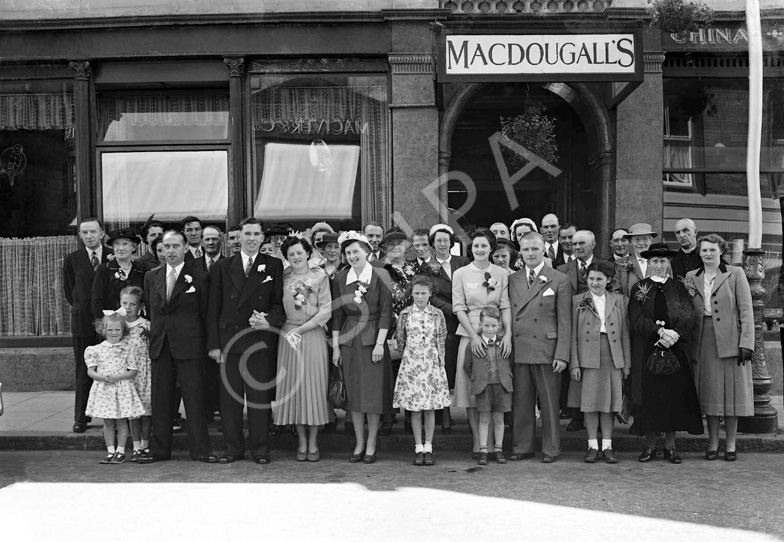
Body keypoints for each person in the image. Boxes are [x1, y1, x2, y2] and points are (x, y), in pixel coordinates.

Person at [207, 218, 285, 465]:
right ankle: (233, 449)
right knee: (229, 401)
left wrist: (269, 321)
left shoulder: (273, 265)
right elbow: (213, 308)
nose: (251, 238)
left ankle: (260, 449)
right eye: (247, 234)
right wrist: (214, 345)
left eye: (256, 234)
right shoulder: (222, 266)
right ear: (238, 238)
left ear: (263, 238)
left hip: (259, 341)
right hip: (229, 340)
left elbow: (278, 305)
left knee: (259, 400)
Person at [139, 230, 217, 464]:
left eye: (175, 246)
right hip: (161, 345)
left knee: (194, 400)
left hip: (190, 346)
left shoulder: (200, 277)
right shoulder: (151, 277)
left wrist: (209, 345)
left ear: (185, 248)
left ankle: (201, 451)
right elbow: (154, 313)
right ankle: (159, 450)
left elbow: (207, 314)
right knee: (161, 401)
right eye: (166, 247)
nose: (170, 251)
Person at [628, 243, 703, 464]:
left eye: (662, 261)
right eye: (654, 261)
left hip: (675, 351)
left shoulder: (679, 287)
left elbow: (690, 315)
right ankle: (650, 447)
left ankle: (670, 447)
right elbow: (635, 319)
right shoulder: (640, 288)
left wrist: (674, 335)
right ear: (648, 264)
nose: (658, 265)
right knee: (650, 400)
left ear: (668, 263)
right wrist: (658, 330)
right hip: (648, 351)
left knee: (673, 399)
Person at [686, 234, 754, 462]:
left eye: (711, 250)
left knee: (731, 396)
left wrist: (746, 342)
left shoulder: (735, 273)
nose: (707, 254)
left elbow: (746, 310)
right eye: (703, 250)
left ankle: (731, 444)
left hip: (730, 341)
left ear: (721, 252)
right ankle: (713, 443)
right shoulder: (691, 276)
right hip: (703, 339)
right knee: (711, 394)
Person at [331, 231, 393, 464]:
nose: (352, 255)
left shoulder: (381, 274)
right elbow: (336, 314)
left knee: (373, 395)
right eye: (348, 253)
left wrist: (379, 344)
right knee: (355, 395)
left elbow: (387, 312)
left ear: (366, 251)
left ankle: (372, 443)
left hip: (373, 339)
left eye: (356, 251)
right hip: (349, 340)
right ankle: (359, 442)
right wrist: (336, 347)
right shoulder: (340, 278)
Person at [509, 231, 572, 463]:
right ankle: (523, 445)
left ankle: (551, 447)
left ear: (544, 248)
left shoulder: (559, 279)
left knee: (549, 402)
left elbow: (565, 321)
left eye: (535, 248)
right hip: (520, 347)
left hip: (547, 349)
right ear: (520, 251)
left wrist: (562, 355)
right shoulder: (512, 279)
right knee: (522, 402)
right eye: (525, 249)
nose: (530, 253)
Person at [452, 228, 512, 458]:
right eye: (476, 246)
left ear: (491, 248)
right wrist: (473, 336)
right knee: (472, 388)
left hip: (496, 333)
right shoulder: (461, 274)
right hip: (471, 334)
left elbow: (505, 304)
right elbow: (459, 307)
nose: (479, 250)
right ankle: (478, 443)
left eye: (484, 246)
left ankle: (493, 444)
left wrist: (506, 335)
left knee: (493, 386)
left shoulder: (501, 273)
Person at [272, 236, 332, 462]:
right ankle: (301, 441)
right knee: (295, 389)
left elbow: (326, 310)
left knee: (313, 387)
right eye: (291, 254)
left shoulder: (320, 277)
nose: (296, 257)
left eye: (299, 252)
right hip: (288, 335)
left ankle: (314, 442)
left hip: (313, 334)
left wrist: (302, 330)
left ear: (307, 253)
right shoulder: (284, 277)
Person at [569, 261, 630, 464]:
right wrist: (574, 363)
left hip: (611, 355)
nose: (594, 283)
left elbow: (625, 335)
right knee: (589, 404)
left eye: (599, 279)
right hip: (587, 356)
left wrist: (625, 363)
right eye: (591, 278)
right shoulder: (578, 300)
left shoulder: (619, 300)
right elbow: (572, 336)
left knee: (608, 404)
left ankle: (608, 445)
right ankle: (592, 445)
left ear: (608, 280)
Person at [393, 275, 450, 466]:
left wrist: (440, 360)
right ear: (412, 294)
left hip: (431, 363)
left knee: (429, 408)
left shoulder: (437, 314)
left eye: (423, 293)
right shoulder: (405, 314)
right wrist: (408, 357)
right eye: (416, 293)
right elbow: (401, 340)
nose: (419, 297)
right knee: (415, 409)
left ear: (430, 294)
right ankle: (418, 446)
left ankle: (429, 446)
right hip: (412, 363)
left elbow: (441, 338)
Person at [63, 217, 113, 433]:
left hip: (109, 322)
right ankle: (81, 417)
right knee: (84, 369)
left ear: (101, 233)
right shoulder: (72, 259)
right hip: (83, 321)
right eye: (85, 232)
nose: (89, 236)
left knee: (112, 368)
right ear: (80, 235)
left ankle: (114, 415)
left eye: (93, 232)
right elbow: (69, 290)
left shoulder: (113, 254)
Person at [423, 224, 469, 434]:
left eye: (446, 240)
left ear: (452, 242)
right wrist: (453, 309)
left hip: (467, 322)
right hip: (445, 322)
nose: (442, 244)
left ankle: (471, 413)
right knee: (445, 369)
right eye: (438, 241)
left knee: (467, 368)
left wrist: (464, 309)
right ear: (432, 245)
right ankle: (445, 414)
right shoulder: (427, 268)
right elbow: (429, 295)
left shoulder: (463, 262)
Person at [85, 310, 145, 464]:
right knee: (108, 422)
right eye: (110, 330)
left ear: (123, 330)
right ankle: (110, 450)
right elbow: (90, 371)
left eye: (117, 330)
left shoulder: (128, 349)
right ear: (103, 330)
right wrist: (102, 377)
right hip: (105, 390)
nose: (113, 333)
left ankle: (121, 451)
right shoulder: (96, 350)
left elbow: (133, 371)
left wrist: (118, 377)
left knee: (121, 421)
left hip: (122, 389)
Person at [557, 229, 597, 431]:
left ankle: (595, 415)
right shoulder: (562, 269)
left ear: (593, 244)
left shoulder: (604, 267)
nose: (577, 247)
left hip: (596, 327)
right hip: (572, 325)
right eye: (575, 244)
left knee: (593, 371)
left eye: (582, 243)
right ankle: (576, 415)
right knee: (573, 370)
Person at [464, 306, 512, 465]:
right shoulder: (473, 345)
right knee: (484, 418)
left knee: (499, 418)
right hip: (483, 387)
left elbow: (510, 363)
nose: (490, 329)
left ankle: (499, 449)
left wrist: (507, 376)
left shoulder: (505, 344)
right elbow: (467, 366)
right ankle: (483, 450)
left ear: (499, 325)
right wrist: (477, 378)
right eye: (486, 326)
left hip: (501, 385)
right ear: (480, 325)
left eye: (493, 326)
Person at [120, 286, 152, 462]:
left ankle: (145, 445)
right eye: (124, 303)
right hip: (127, 375)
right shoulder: (118, 325)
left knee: (146, 411)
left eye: (132, 304)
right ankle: (136, 445)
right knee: (133, 412)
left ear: (140, 306)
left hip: (144, 373)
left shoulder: (146, 325)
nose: (128, 307)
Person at [91, 229, 146, 319]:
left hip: (135, 323)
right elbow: (96, 301)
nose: (121, 248)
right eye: (117, 244)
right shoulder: (104, 269)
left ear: (134, 247)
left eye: (125, 244)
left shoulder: (141, 271)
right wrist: (103, 323)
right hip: (112, 325)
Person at [611, 222, 657, 297]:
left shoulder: (661, 263)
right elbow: (616, 291)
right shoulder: (620, 263)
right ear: (630, 242)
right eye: (637, 240)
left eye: (645, 239)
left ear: (651, 240)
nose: (641, 243)